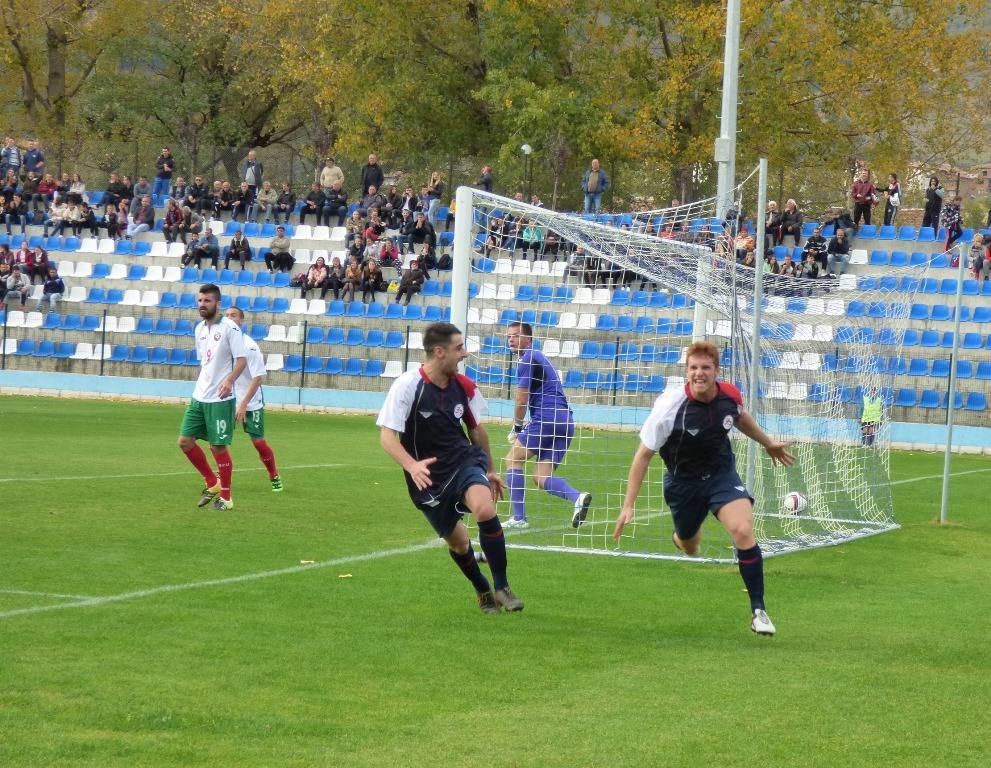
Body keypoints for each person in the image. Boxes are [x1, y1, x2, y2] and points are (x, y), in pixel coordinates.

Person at [613, 340, 795, 635]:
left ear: (716, 371)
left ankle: (758, 611)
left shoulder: (729, 395)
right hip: (682, 484)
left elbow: (739, 416)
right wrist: (628, 505)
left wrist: (767, 442)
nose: (699, 373)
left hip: (721, 474)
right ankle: (680, 536)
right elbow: (643, 455)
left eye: (706, 368)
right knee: (690, 546)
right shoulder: (669, 409)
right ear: (687, 372)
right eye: (693, 368)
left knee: (742, 530)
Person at [376, 321, 522, 614]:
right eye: (459, 348)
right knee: (459, 543)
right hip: (426, 479)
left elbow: (476, 430)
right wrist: (412, 465)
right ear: (439, 352)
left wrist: (490, 469)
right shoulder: (407, 385)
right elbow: (387, 437)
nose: (464, 353)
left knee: (485, 509)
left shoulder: (464, 386)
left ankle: (503, 587)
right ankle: (482, 589)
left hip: (463, 461)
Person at [502, 322, 591, 530]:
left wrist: (517, 427)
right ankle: (577, 497)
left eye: (516, 335)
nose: (511, 339)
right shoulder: (539, 357)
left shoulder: (527, 358)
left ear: (529, 339)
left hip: (547, 418)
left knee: (512, 459)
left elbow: (521, 399)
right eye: (509, 336)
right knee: (541, 477)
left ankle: (519, 518)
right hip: (565, 422)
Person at [178, 284, 247, 511]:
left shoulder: (230, 328)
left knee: (218, 448)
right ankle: (211, 481)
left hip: (220, 399)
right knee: (185, 441)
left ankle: (226, 497)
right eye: (200, 300)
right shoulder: (199, 329)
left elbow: (241, 360)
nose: (202, 304)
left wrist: (229, 381)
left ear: (218, 303)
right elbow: (204, 362)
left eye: (207, 301)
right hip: (200, 396)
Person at [224, 307, 283, 492]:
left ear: (241, 321)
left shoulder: (249, 346)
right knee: (216, 440)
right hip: (226, 398)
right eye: (226, 315)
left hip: (250, 400)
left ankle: (273, 474)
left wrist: (243, 404)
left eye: (233, 315)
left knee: (258, 442)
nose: (229, 318)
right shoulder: (221, 343)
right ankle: (220, 480)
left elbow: (258, 378)